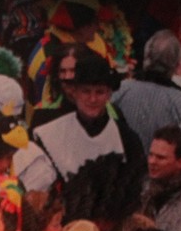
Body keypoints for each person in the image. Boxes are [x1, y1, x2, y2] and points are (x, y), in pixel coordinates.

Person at [20, 49, 143, 200]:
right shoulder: (48, 134)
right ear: (75, 92)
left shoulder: (127, 139)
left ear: (109, 94)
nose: (92, 99)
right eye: (86, 91)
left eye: (99, 92)